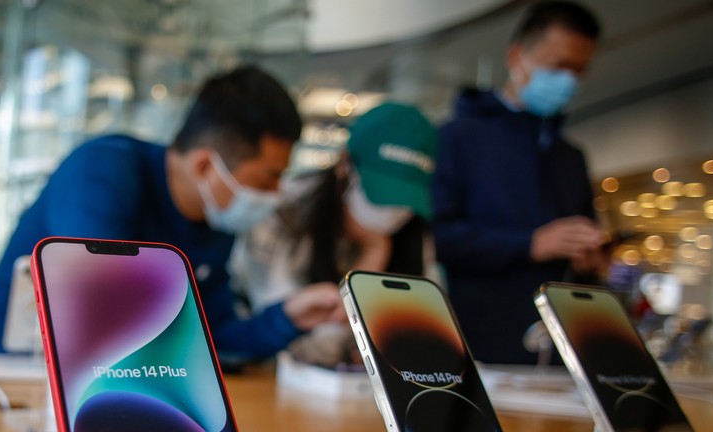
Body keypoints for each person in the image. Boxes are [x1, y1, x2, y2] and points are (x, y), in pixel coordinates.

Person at [0, 65, 344, 362]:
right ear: (206, 166)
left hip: (97, 390)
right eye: (268, 178)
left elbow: (216, 340)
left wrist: (289, 317)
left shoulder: (215, 223)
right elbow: (106, 313)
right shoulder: (103, 172)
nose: (276, 194)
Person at [431, 1, 605, 365]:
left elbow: (584, 252)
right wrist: (529, 244)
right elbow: (440, 238)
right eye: (559, 66)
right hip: (479, 346)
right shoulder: (457, 138)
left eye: (579, 71)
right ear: (517, 56)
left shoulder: (571, 156)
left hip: (557, 347)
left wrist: (590, 260)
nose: (568, 81)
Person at [229, 102, 438, 367]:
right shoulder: (283, 212)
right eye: (380, 194)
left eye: (404, 199)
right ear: (345, 165)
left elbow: (428, 338)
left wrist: (376, 249)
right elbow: (301, 347)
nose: (393, 210)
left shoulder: (414, 228)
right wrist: (373, 254)